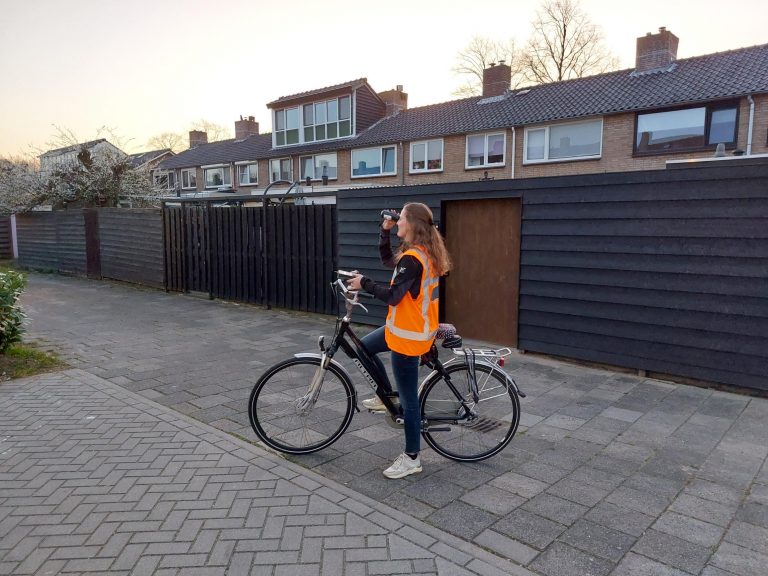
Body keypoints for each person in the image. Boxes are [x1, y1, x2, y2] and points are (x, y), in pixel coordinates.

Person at [346, 202, 451, 479]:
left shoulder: (413, 259)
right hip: (402, 328)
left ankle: (412, 458)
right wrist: (385, 231)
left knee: (410, 402)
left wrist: (363, 283)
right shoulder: (418, 253)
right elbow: (386, 260)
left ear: (413, 225)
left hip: (409, 337)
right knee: (362, 348)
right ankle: (386, 396)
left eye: (401, 219)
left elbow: (393, 296)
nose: (397, 222)